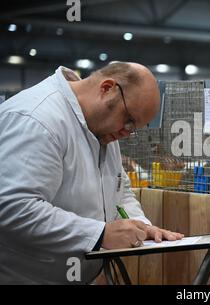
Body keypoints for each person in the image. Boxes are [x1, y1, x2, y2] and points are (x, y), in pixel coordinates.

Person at [0, 62, 184, 284]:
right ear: (107, 88)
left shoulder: (102, 128)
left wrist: (139, 225)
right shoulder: (38, 120)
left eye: (134, 128)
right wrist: (100, 234)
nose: (127, 133)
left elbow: (119, 189)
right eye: (128, 120)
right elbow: (12, 207)